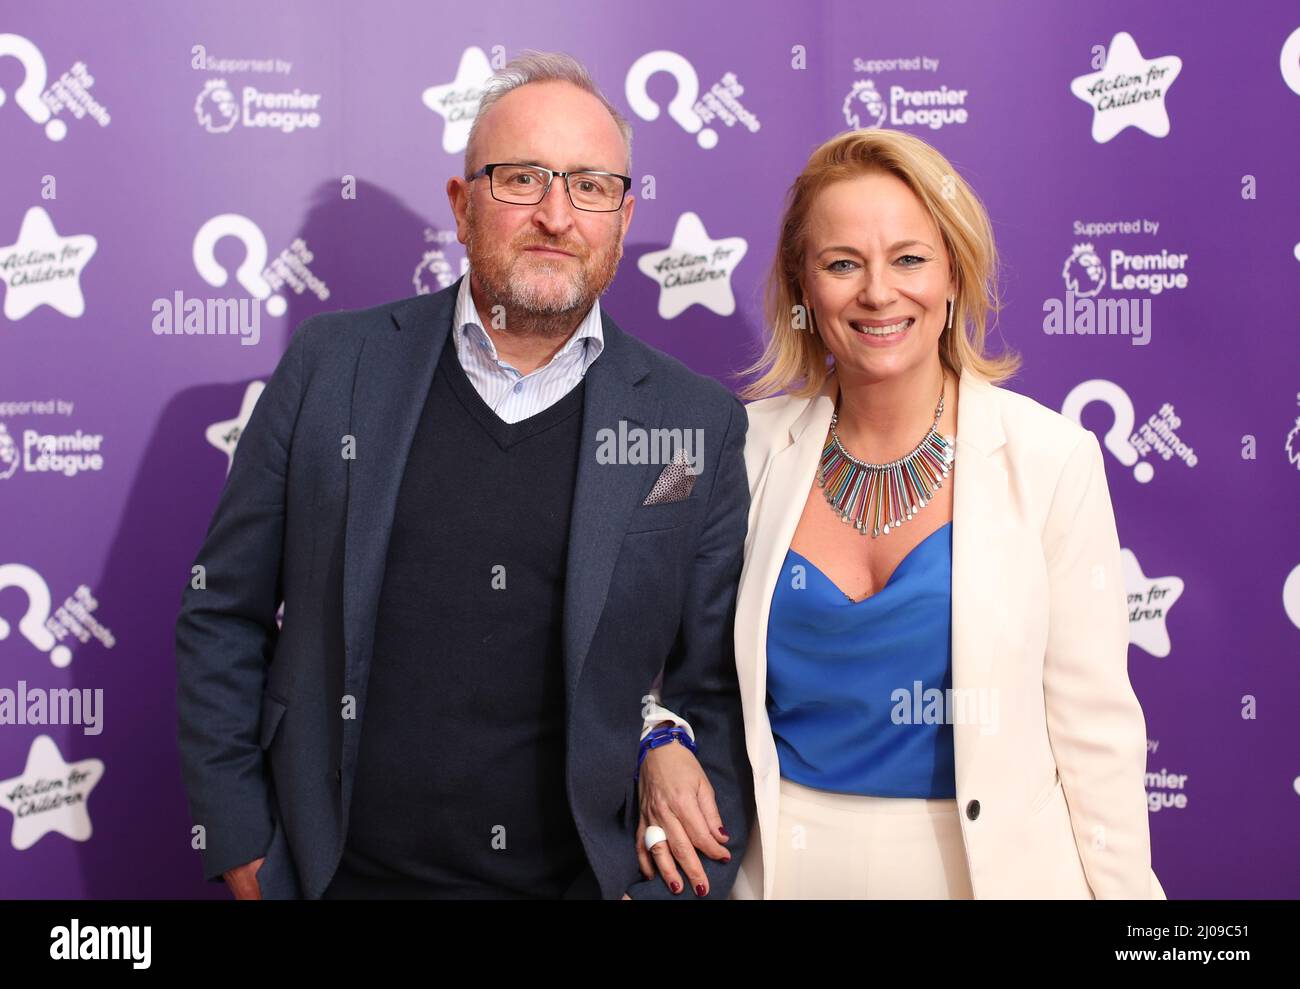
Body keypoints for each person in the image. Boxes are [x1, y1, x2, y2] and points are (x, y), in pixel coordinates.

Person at [174, 50, 752, 900]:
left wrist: (668, 879)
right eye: (522, 178)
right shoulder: (333, 367)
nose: (557, 214)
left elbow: (718, 689)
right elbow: (221, 612)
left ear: (623, 218)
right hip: (338, 879)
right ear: (462, 203)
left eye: (591, 186)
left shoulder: (690, 420)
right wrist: (245, 850)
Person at [636, 127, 1165, 899]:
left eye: (909, 258)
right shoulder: (731, 449)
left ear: (954, 274)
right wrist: (654, 734)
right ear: (803, 290)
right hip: (777, 875)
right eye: (843, 263)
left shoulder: (1052, 458)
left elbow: (1098, 736)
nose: (878, 291)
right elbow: (608, 643)